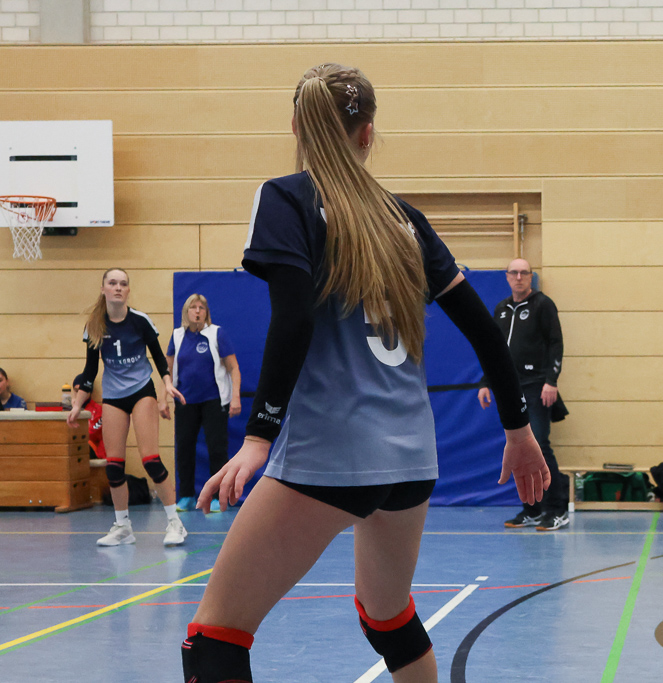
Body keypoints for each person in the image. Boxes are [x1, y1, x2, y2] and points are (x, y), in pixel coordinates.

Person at [180, 64, 549, 683]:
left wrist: (258, 437)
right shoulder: (404, 219)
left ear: (296, 126)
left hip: (331, 455)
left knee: (214, 636)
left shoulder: (287, 198)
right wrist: (518, 430)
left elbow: (294, 318)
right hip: (411, 460)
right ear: (368, 133)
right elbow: (485, 330)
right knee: (388, 617)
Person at [66, 268, 189, 547]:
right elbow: (90, 370)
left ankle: (175, 523)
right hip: (113, 396)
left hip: (140, 391)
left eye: (123, 283)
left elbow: (159, 358)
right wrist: (77, 404)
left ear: (128, 290)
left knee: (151, 460)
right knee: (114, 466)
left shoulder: (140, 321)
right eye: (112, 283)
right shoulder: (95, 326)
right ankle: (123, 527)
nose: (118, 287)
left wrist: (167, 383)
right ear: (103, 289)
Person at [478, 258, 569, 531]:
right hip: (510, 388)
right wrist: (486, 381)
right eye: (514, 273)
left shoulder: (543, 305)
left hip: (537, 385)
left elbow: (556, 343)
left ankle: (557, 510)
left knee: (539, 444)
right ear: (507, 277)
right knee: (520, 448)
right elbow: (493, 348)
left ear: (530, 277)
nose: (519, 277)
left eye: (524, 273)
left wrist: (551, 381)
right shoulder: (501, 309)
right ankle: (532, 510)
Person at [166, 294, 242, 513]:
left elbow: (233, 368)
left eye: (201, 308)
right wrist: (163, 399)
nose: (197, 311)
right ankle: (187, 496)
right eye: (193, 307)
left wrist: (235, 397)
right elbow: (166, 370)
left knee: (217, 449)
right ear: (186, 312)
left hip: (214, 401)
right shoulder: (177, 336)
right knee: (184, 448)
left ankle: (218, 497)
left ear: (206, 312)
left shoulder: (217, 333)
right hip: (185, 401)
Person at [72, 374, 105, 460]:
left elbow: (92, 433)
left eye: (81, 390)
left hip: (93, 450)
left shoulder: (98, 411)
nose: (79, 394)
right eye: (76, 391)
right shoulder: (69, 409)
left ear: (89, 391)